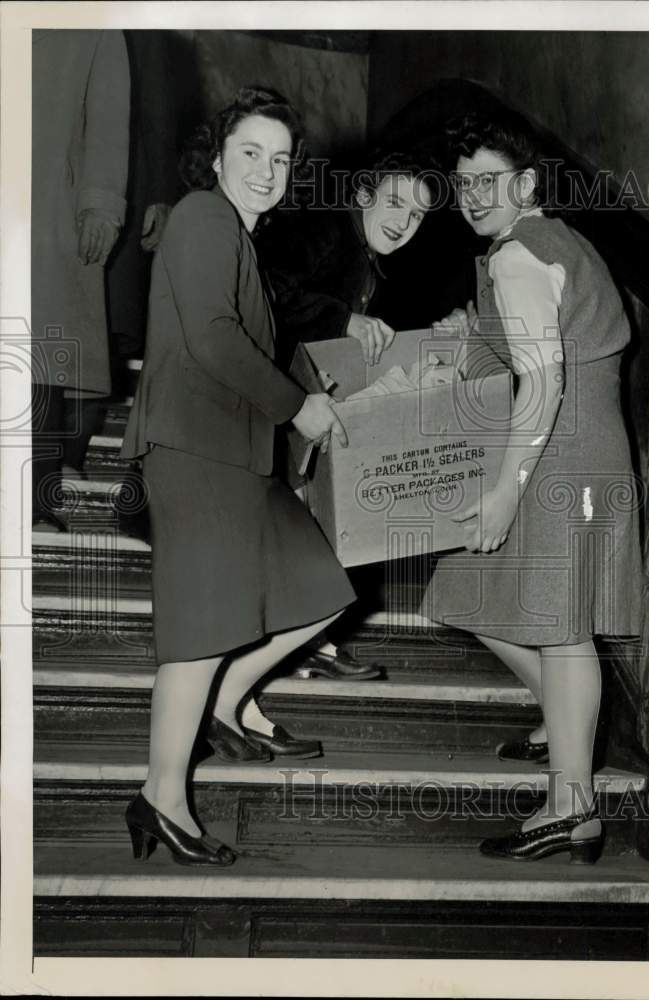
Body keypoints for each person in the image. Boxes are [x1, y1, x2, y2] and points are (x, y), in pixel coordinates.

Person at [119, 86, 356, 867]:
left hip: (238, 458)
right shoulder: (199, 218)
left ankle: (226, 700)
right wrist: (299, 410)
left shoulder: (239, 240)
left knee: (320, 587)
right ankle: (163, 796)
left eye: (281, 159)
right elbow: (216, 341)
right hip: (194, 452)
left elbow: (248, 340)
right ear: (216, 158)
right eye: (250, 153)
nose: (266, 170)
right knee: (196, 635)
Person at [421, 111, 642, 862]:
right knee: (474, 592)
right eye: (463, 184)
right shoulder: (560, 242)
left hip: (557, 449)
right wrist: (471, 334)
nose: (473, 196)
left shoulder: (518, 256)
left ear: (526, 184)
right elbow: (537, 349)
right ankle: (566, 733)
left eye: (489, 181)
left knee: (562, 626)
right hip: (589, 444)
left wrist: (508, 490)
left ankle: (568, 807)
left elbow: (542, 387)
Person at [260, 151, 436, 680]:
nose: (403, 222)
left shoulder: (364, 254)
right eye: (395, 202)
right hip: (265, 406)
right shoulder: (324, 229)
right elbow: (262, 294)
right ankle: (298, 640)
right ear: (364, 196)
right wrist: (345, 319)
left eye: (417, 215)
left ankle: (314, 639)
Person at [31, 29, 130, 528]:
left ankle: (35, 501)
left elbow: (110, 118)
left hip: (47, 203)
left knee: (39, 358)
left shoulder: (94, 21)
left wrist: (102, 204)